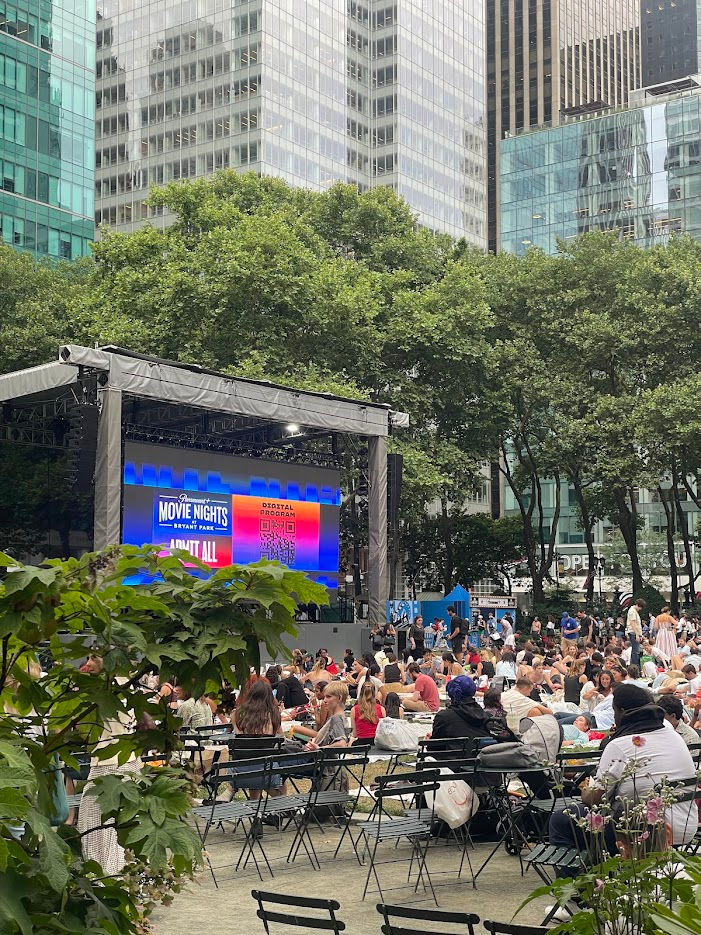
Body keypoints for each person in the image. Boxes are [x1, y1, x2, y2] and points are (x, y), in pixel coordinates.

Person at [549, 684, 697, 856]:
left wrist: (585, 790)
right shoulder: (675, 737)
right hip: (686, 826)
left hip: (643, 832)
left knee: (560, 820)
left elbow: (596, 799)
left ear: (619, 711)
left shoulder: (620, 745)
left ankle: (587, 879)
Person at [430, 676, 493, 746]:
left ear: (451, 693)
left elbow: (434, 747)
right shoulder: (487, 716)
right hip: (480, 755)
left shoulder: (443, 717)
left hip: (454, 756)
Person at [625, 598, 645, 667]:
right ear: (637, 605)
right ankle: (635, 666)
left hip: (634, 632)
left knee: (635, 651)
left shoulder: (633, 611)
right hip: (633, 632)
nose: (640, 609)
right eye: (640, 607)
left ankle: (633, 665)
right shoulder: (632, 611)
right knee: (636, 651)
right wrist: (637, 634)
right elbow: (632, 623)